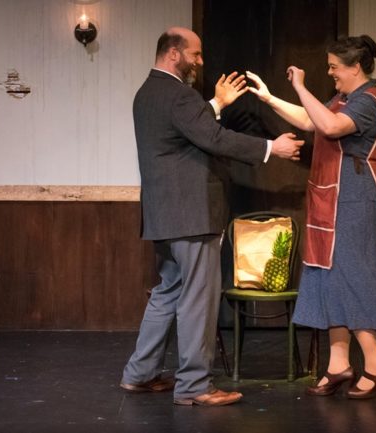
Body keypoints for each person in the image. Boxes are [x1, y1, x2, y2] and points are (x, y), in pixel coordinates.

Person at [120, 26, 304, 407]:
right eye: (196, 54)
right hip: (192, 214)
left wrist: (217, 104)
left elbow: (188, 128)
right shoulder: (179, 95)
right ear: (174, 54)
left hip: (166, 215)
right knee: (197, 298)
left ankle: (138, 374)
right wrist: (272, 147)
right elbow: (213, 138)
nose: (200, 62)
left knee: (167, 293)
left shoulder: (149, 93)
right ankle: (194, 385)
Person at [247, 34, 376, 399]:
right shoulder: (343, 98)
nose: (330, 73)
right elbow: (311, 119)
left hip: (356, 195)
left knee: (352, 273)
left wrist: (301, 86)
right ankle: (338, 363)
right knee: (327, 273)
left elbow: (330, 127)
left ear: (355, 67)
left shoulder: (368, 101)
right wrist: (270, 97)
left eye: (334, 67)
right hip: (331, 193)